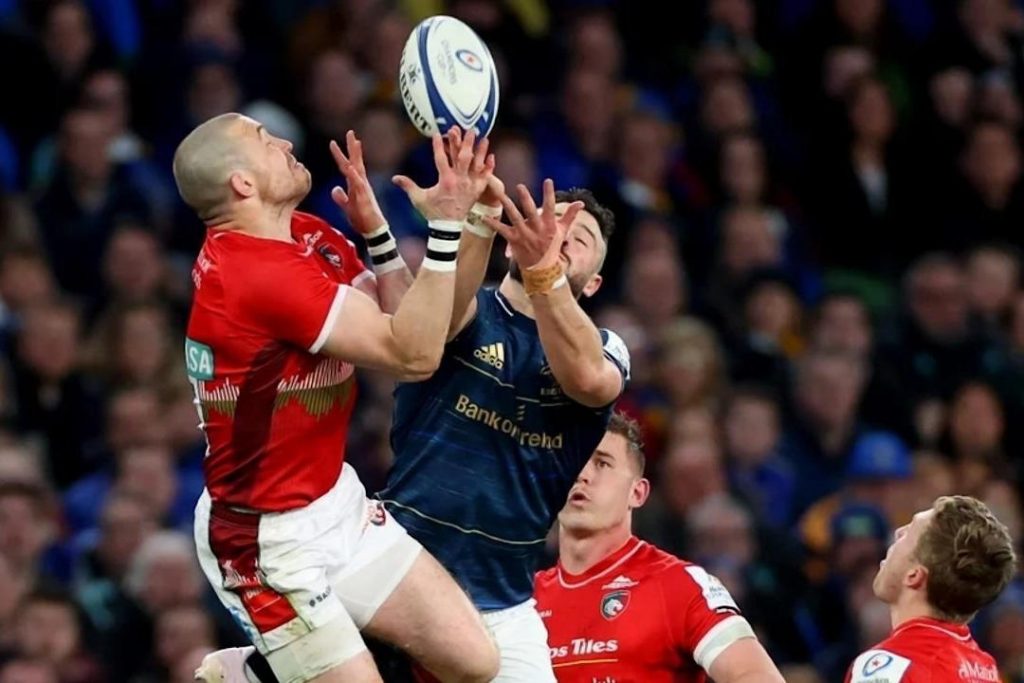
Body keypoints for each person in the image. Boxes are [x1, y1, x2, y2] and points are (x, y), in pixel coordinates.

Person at [172, 112, 499, 683]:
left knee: (474, 662)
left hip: (334, 501)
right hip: (266, 541)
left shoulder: (304, 234)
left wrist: (395, 235)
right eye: (263, 139)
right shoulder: (253, 276)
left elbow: (410, 323)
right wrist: (447, 228)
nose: (284, 140)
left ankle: (261, 670)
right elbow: (414, 359)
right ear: (242, 184)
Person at [376, 129, 632, 681]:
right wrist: (476, 218)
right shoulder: (473, 310)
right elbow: (440, 322)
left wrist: (544, 273)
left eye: (577, 237)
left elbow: (588, 379)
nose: (556, 233)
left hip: (501, 598)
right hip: (395, 559)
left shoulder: (607, 347)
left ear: (594, 284)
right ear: (513, 237)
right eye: (549, 218)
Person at [533, 412, 785, 682]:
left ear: (637, 493)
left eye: (602, 463)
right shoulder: (522, 599)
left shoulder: (678, 584)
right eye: (573, 461)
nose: (581, 474)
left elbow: (756, 675)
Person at [845, 495, 1016, 683]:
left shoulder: (890, 667)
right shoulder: (986, 671)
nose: (897, 533)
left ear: (914, 576)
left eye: (909, 532)